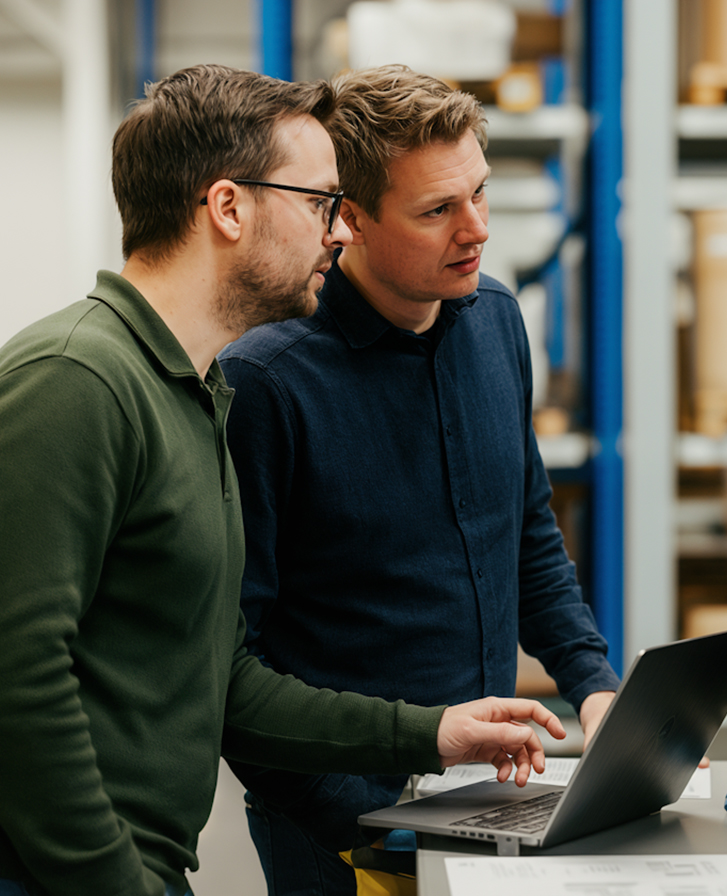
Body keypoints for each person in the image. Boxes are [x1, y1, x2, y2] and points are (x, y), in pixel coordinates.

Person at [0, 64, 568, 896]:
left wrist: (433, 733)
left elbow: (227, 680)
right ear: (228, 208)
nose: (338, 234)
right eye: (318, 203)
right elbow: (18, 675)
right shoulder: (74, 378)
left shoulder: (195, 395)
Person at [219, 64, 622, 896]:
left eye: (477, 193)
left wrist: (594, 686)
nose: (475, 229)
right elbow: (230, 661)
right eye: (437, 210)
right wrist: (354, 830)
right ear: (351, 218)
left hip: (482, 798)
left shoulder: (497, 320)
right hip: (336, 831)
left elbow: (527, 535)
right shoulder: (264, 381)